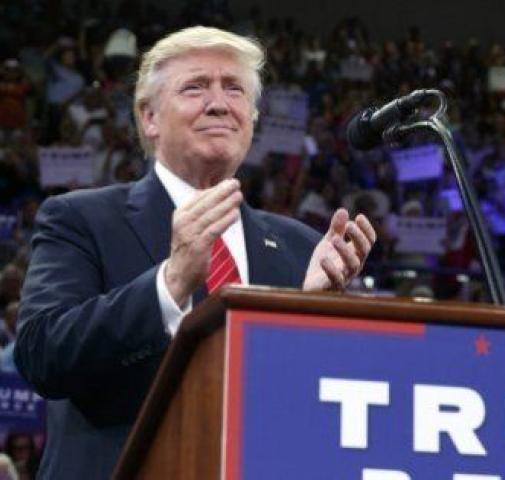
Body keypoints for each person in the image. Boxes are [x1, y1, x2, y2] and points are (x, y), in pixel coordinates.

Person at [15, 26, 376, 479]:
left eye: (234, 88)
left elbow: (324, 408)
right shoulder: (80, 219)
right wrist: (168, 285)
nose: (219, 103)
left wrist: (309, 317)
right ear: (149, 117)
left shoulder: (303, 247)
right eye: (195, 87)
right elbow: (42, 355)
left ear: (251, 117)